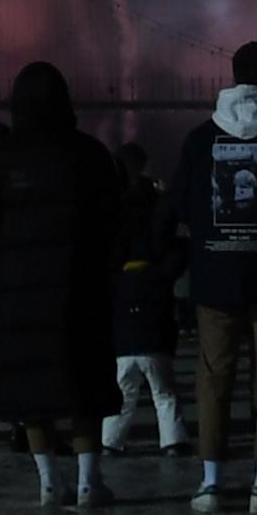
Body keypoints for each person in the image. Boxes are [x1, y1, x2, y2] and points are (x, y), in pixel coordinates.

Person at [173, 37, 257, 509]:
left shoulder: (199, 139)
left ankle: (212, 482)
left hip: (215, 277)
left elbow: (178, 206)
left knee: (214, 377)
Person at [0, 60, 121, 503]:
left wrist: (4, 274)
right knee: (85, 385)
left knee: (30, 387)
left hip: (21, 294)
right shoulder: (90, 154)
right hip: (80, 288)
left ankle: (46, 483)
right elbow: (114, 226)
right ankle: (88, 481)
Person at [103, 141, 183, 455]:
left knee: (123, 388)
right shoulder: (158, 203)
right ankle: (173, 440)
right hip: (154, 296)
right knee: (163, 389)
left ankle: (110, 440)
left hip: (123, 299)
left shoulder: (111, 204)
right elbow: (175, 244)